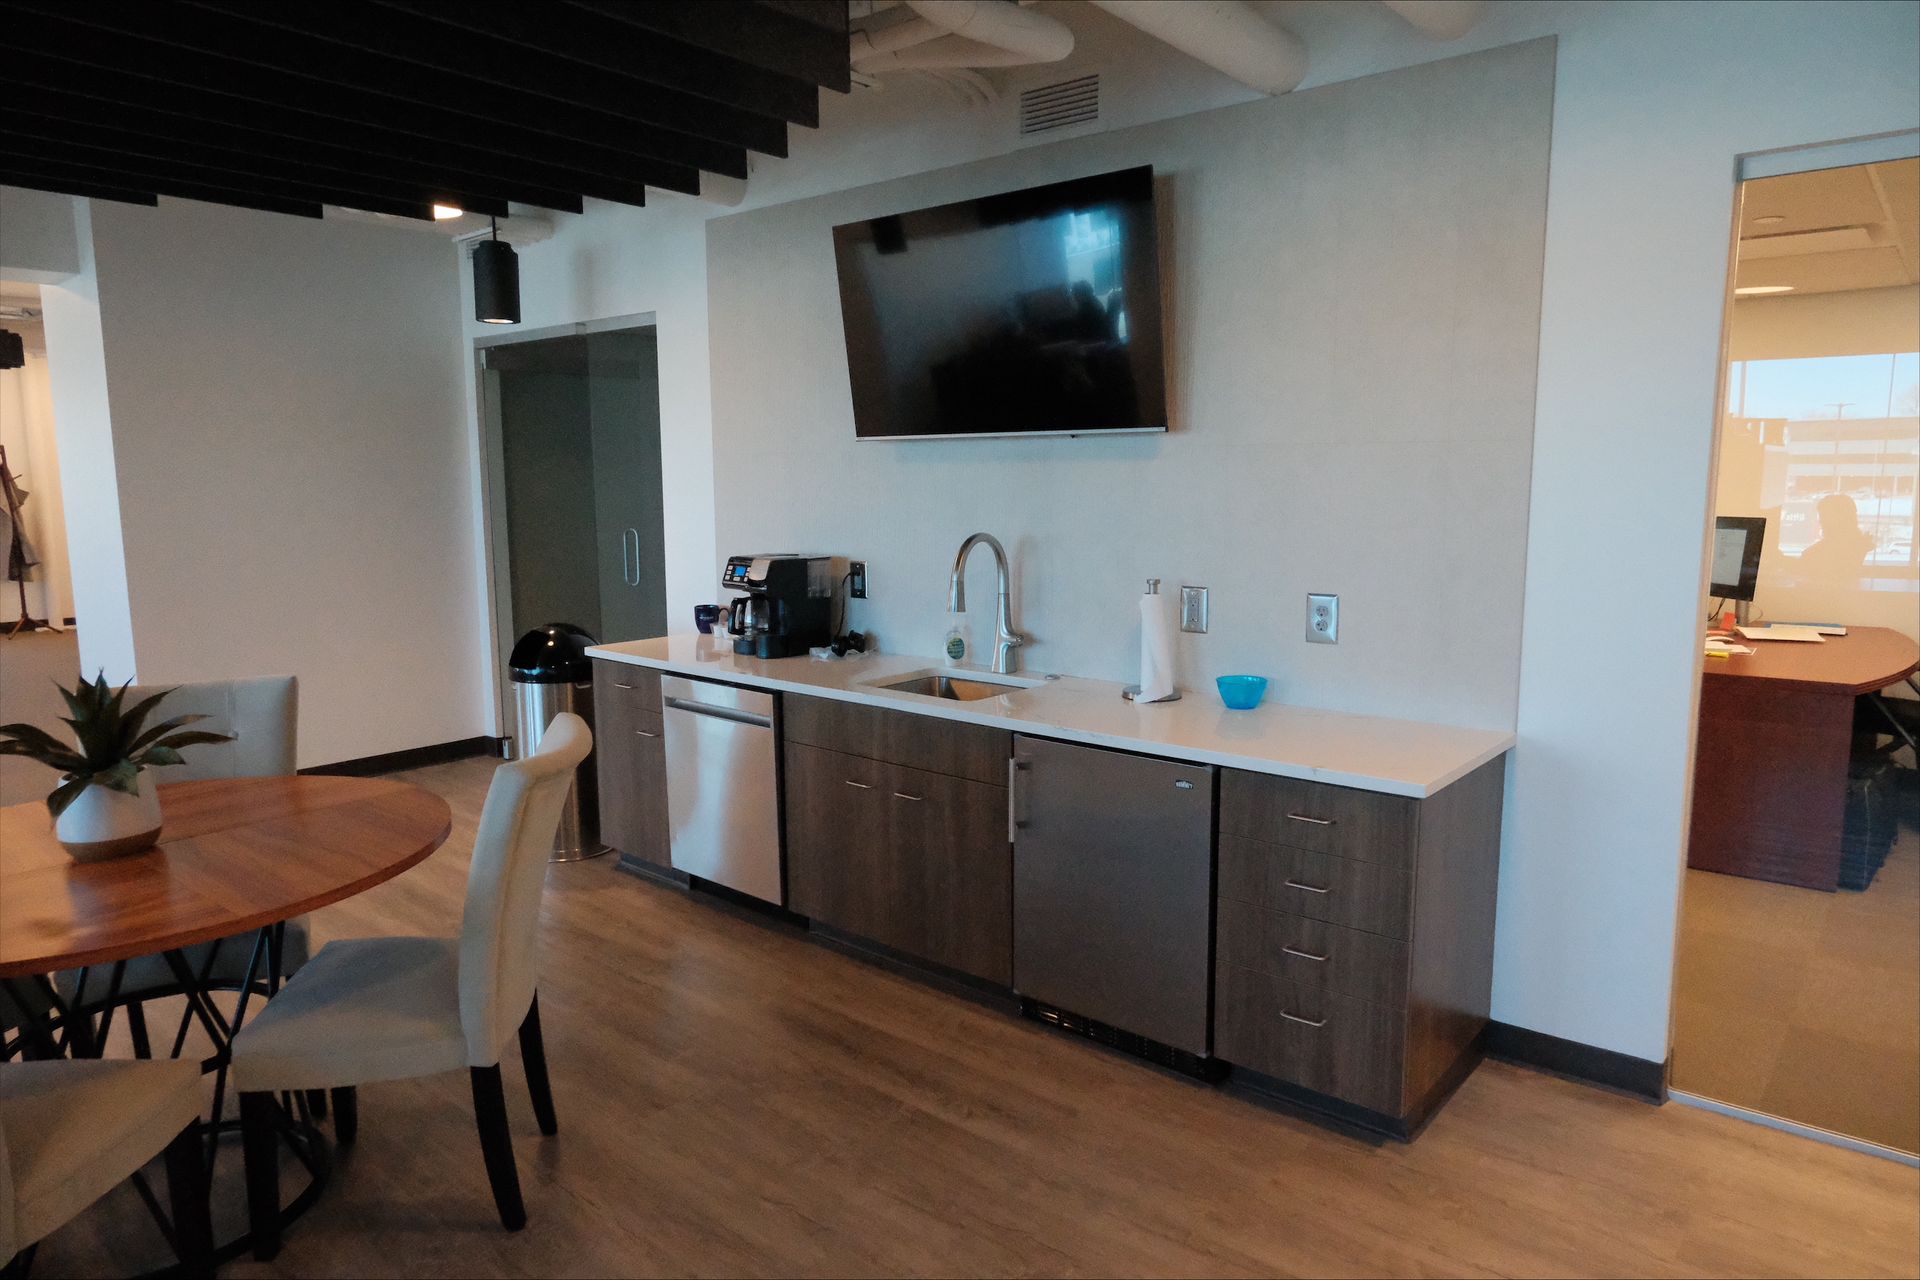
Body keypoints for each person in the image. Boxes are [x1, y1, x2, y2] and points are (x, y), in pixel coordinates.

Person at [1797, 492, 1877, 581]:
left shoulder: (1840, 547)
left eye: (1824, 516)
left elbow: (1806, 564)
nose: (1821, 521)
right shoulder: (1856, 543)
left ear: (1842, 518)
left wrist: (1782, 561)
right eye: (1821, 516)